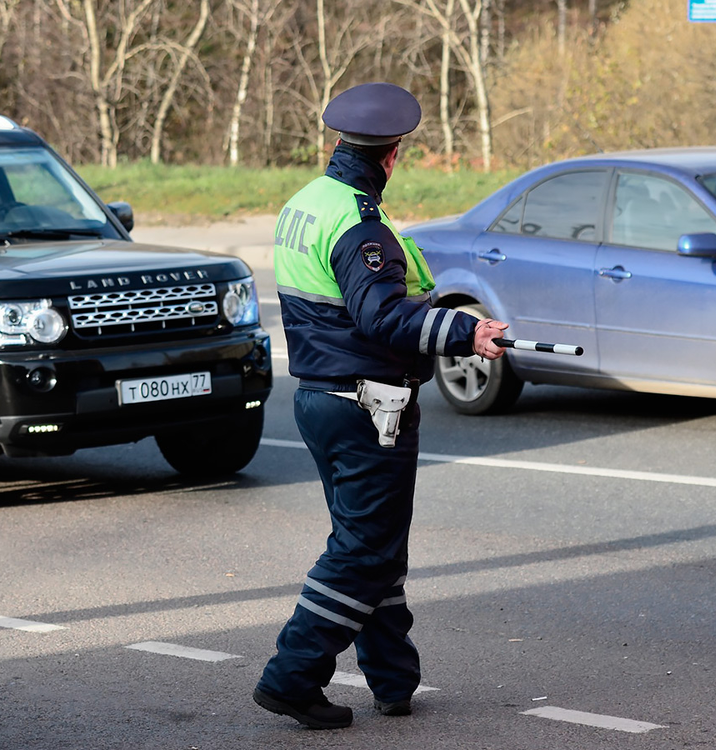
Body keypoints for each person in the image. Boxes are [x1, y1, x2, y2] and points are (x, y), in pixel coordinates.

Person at [252, 81, 509, 730]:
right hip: (369, 406)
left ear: (339, 143)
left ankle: (394, 681)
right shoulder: (361, 222)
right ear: (392, 155)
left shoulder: (307, 202)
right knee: (364, 552)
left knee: (372, 546)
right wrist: (464, 332)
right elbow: (383, 317)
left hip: (319, 398)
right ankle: (292, 675)